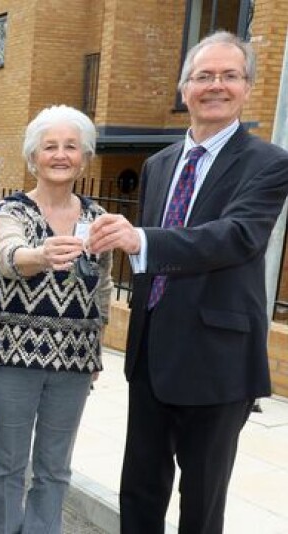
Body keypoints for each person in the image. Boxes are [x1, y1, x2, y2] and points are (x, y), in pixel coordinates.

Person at [88, 32, 288, 533]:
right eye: (204, 76)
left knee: (200, 504)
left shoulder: (269, 163)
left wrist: (140, 240)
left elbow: (236, 237)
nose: (215, 85)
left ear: (246, 87)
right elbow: (150, 258)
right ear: (184, 89)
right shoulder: (158, 165)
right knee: (138, 490)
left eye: (229, 75)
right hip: (151, 355)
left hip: (215, 361)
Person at [0, 105, 113, 534]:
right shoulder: (11, 210)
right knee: (9, 466)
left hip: (74, 362)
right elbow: (5, 254)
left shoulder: (97, 219)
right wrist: (38, 257)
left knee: (55, 469)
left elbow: (103, 288)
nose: (60, 155)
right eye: (50, 146)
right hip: (14, 357)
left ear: (84, 156)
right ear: (33, 156)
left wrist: (96, 350)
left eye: (71, 146)